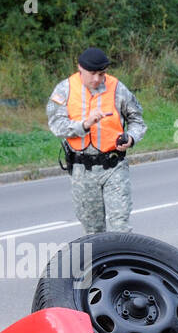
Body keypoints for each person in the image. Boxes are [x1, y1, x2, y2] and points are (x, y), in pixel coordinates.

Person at [46, 47, 146, 233]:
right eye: (92, 74)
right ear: (80, 69)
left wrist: (131, 138)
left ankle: (123, 261)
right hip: (82, 170)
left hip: (113, 166)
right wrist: (84, 125)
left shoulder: (117, 88)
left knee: (121, 228)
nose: (97, 79)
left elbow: (137, 120)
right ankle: (100, 263)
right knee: (93, 231)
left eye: (101, 74)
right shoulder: (64, 90)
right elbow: (56, 125)